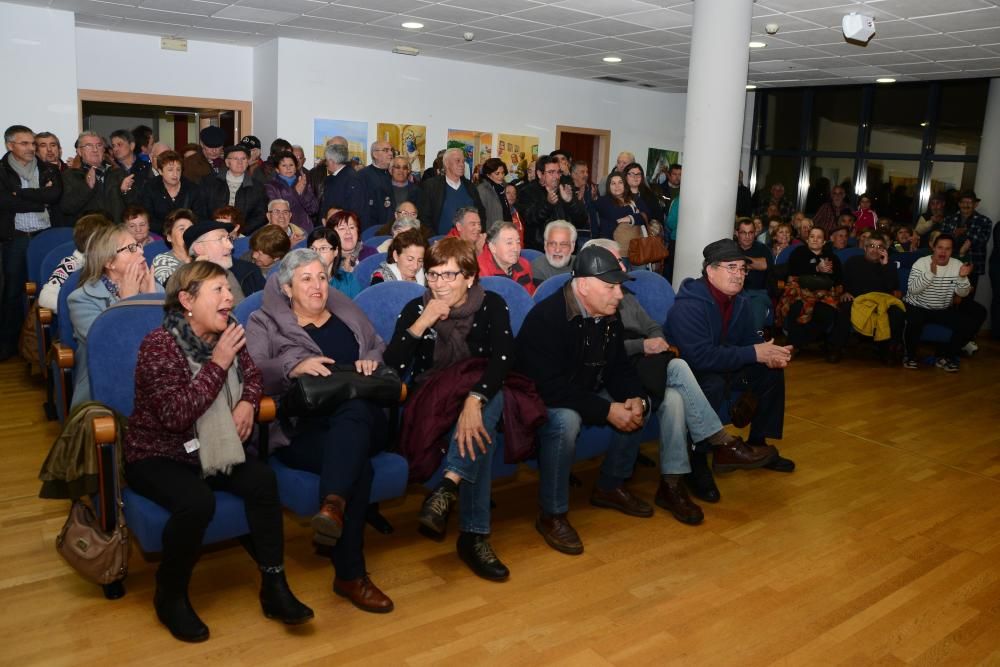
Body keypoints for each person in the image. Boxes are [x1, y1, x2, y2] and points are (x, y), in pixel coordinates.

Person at [124, 261, 312, 642]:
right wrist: (219, 363)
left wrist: (246, 403)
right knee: (196, 502)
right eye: (218, 290)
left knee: (262, 480)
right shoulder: (158, 346)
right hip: (159, 454)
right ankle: (170, 595)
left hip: (213, 446)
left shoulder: (226, 334)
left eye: (228, 289)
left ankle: (274, 586)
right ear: (187, 301)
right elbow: (177, 415)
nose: (230, 298)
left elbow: (254, 377)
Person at [246, 249, 394, 613]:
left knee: (355, 411)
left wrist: (369, 360)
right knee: (359, 466)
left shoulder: (347, 311)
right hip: (302, 428)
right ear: (287, 288)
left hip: (365, 416)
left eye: (322, 277)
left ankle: (332, 505)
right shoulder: (263, 321)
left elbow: (378, 346)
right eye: (306, 279)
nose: (317, 286)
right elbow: (251, 371)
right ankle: (349, 572)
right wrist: (292, 367)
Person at [384, 237, 535, 580]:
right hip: (432, 397)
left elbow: (503, 358)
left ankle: (449, 487)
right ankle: (472, 534)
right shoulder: (416, 309)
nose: (439, 284)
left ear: (469, 277)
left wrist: (473, 398)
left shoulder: (492, 304)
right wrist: (423, 323)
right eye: (433, 276)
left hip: (482, 390)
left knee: (485, 407)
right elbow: (391, 365)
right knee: (482, 424)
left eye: (449, 275)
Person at [585, 238, 772, 515]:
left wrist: (656, 341)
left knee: (674, 398)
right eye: (613, 262)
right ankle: (721, 442)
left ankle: (670, 484)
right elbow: (596, 350)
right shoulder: (586, 304)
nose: (621, 266)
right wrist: (642, 346)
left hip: (641, 364)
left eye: (620, 261)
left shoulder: (625, 296)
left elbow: (652, 326)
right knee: (680, 370)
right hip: (609, 371)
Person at [515, 245, 656, 556]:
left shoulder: (608, 315)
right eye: (610, 287)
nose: (619, 295)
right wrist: (607, 410)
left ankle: (610, 486)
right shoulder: (547, 318)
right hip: (544, 399)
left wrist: (636, 398)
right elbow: (547, 387)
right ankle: (552, 514)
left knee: (635, 406)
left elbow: (619, 367)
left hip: (587, 389)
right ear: (583, 285)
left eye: (619, 287)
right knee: (567, 420)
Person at [665, 239, 796, 501]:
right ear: (710, 270)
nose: (739, 275)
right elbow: (699, 357)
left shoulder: (740, 302)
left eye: (743, 269)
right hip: (693, 373)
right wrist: (754, 353)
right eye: (731, 268)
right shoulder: (689, 304)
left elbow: (749, 342)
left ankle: (758, 445)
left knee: (770, 373)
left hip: (726, 365)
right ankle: (698, 460)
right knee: (711, 384)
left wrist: (768, 354)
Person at [68, 224, 162, 407]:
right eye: (131, 248)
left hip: (155, 384)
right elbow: (113, 349)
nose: (141, 253)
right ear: (109, 263)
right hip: (108, 391)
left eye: (139, 245)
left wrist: (153, 299)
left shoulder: (153, 287)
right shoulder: (81, 300)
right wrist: (127, 303)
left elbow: (171, 341)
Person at [1, 124, 62, 360]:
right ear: (10, 145)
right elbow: (5, 202)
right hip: (16, 238)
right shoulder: (2, 171)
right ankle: (8, 345)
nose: (31, 148)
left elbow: (53, 196)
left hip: (45, 237)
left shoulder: (47, 169)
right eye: (24, 143)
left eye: (32, 143)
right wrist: (39, 200)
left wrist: (20, 194)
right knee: (13, 291)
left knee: (47, 290)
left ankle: (43, 344)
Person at [902, 234, 986, 372]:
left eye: (947, 249)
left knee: (966, 324)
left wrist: (963, 277)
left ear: (952, 251)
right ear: (933, 248)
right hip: (917, 305)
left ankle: (947, 357)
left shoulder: (957, 265)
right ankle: (910, 356)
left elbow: (963, 293)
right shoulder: (921, 263)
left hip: (941, 308)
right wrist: (930, 273)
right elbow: (913, 289)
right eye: (940, 247)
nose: (943, 252)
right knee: (914, 321)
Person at [779, 227, 849, 362]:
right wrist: (816, 268)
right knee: (797, 307)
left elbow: (838, 279)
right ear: (807, 239)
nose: (815, 239)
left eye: (819, 237)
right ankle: (793, 344)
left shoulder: (832, 257)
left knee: (827, 312)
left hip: (824, 293)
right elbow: (793, 271)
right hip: (799, 290)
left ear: (824, 241)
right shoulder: (798, 252)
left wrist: (828, 272)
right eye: (812, 236)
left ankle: (797, 343)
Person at [840, 234, 905, 363]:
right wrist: (845, 292)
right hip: (857, 300)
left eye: (879, 247)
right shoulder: (853, 262)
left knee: (897, 313)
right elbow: (843, 282)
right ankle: (836, 348)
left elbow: (893, 287)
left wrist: (885, 265)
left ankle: (887, 351)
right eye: (871, 246)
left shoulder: (889, 264)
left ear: (884, 250)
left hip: (881, 302)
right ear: (865, 248)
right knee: (844, 307)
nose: (875, 250)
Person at [38, 213, 113, 313]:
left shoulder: (111, 262)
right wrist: (81, 307)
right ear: (92, 242)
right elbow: (45, 298)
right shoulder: (70, 265)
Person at [519, 156, 588, 250]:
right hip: (540, 251)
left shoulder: (565, 189)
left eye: (558, 172)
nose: (556, 176)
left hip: (567, 250)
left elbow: (581, 221)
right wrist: (547, 204)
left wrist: (570, 202)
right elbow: (530, 219)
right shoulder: (527, 192)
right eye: (551, 172)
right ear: (540, 174)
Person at [184, 220, 264, 300]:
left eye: (229, 239)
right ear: (199, 248)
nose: (230, 246)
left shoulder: (250, 271)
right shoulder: (183, 282)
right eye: (220, 240)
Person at [61, 131, 129, 223]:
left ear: (104, 150)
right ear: (79, 152)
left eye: (99, 145)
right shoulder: (70, 175)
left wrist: (126, 192)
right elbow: (67, 208)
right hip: (89, 232)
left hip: (116, 231)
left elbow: (135, 207)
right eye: (89, 146)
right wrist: (87, 187)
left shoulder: (118, 173)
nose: (95, 149)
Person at [201, 144, 268, 235]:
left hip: (243, 234)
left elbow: (260, 216)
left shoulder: (257, 187)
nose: (240, 162)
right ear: (227, 162)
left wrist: (239, 231)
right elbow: (202, 211)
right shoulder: (210, 182)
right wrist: (214, 229)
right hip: (212, 232)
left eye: (243, 159)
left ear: (248, 162)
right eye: (235, 159)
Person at [418, 147, 485, 236]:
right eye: (457, 161)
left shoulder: (471, 187)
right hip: (441, 244)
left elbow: (481, 214)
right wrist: (434, 240)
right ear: (446, 163)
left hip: (468, 245)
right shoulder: (431, 186)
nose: (462, 164)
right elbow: (424, 218)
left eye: (463, 161)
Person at [137, 150, 205, 235]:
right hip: (158, 234)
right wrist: (170, 231)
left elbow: (199, 218)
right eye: (170, 170)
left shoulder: (192, 189)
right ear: (160, 171)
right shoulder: (150, 187)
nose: (175, 174)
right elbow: (148, 218)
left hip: (187, 234)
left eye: (178, 170)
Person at [940, 190, 992, 290]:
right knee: (948, 295)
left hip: (972, 265)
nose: (966, 205)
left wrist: (965, 232)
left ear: (975, 204)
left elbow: (982, 240)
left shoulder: (985, 221)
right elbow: (942, 238)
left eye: (969, 202)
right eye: (963, 202)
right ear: (959, 204)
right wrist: (955, 235)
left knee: (968, 296)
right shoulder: (948, 219)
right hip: (949, 263)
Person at [734, 217, 773, 333]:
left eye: (750, 233)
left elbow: (764, 265)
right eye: (743, 233)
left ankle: (756, 340)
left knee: (758, 305)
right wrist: (753, 263)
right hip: (733, 291)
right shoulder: (731, 247)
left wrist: (739, 260)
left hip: (758, 292)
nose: (747, 236)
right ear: (737, 233)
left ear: (755, 233)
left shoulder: (763, 248)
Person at [264, 151, 318, 234]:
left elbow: (313, 209)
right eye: (284, 165)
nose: (288, 168)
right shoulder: (270, 186)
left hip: (304, 229)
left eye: (291, 165)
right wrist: (295, 192)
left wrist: (302, 193)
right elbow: (278, 210)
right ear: (277, 169)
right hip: (281, 229)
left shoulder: (303, 182)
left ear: (296, 167)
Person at [477, 220, 535, 295]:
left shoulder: (525, 265)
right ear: (493, 247)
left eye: (518, 242)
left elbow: (531, 298)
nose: (516, 248)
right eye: (509, 243)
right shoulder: (479, 272)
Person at [327, 210, 375, 294]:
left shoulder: (370, 253)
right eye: (342, 228)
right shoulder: (328, 258)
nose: (348, 232)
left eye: (352, 227)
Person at [152, 209, 195, 286]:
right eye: (182, 229)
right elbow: (168, 286)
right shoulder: (162, 260)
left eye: (191, 228)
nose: (188, 232)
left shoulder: (202, 254)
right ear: (169, 237)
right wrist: (188, 260)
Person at [594, 173, 643, 241]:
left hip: (634, 243)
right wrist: (634, 210)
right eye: (613, 183)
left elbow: (645, 215)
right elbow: (615, 215)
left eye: (620, 182)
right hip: (611, 244)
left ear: (625, 185)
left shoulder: (633, 198)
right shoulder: (603, 200)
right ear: (609, 186)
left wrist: (630, 218)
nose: (617, 186)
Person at [359, 140, 395, 230]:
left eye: (391, 150)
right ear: (375, 154)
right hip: (371, 228)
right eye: (386, 150)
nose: (391, 153)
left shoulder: (395, 175)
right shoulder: (362, 175)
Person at [476, 157, 512, 227]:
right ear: (488, 174)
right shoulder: (482, 190)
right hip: (492, 233)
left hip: (504, 230)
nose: (501, 176)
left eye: (503, 173)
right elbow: (480, 216)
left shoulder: (502, 187)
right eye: (497, 173)